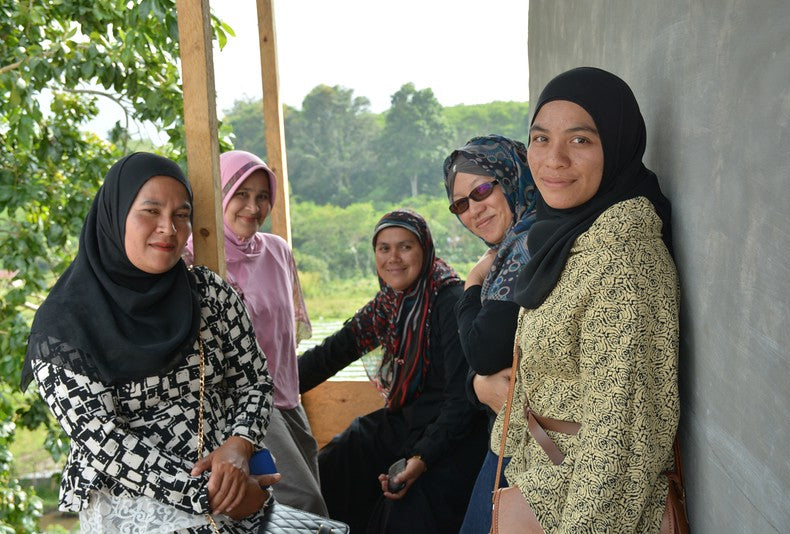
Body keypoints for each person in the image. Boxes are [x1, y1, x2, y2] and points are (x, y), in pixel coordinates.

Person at [20, 152, 278, 533]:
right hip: (141, 513)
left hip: (240, 499)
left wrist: (241, 443)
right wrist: (210, 496)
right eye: (150, 212)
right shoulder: (64, 326)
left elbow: (254, 380)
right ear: (115, 215)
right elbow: (105, 442)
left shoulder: (209, 294)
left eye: (181, 214)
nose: (169, 229)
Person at [490, 67, 680, 532]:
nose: (553, 159)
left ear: (616, 147)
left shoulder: (622, 256)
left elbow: (622, 439)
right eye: (539, 138)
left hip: (577, 505)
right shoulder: (568, 237)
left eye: (580, 140)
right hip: (537, 478)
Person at [297, 209, 487, 534]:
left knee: (404, 506)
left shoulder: (449, 300)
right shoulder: (390, 303)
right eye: (384, 248)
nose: (393, 258)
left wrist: (422, 456)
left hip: (449, 434)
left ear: (424, 250)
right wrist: (272, 386)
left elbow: (461, 400)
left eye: (405, 246)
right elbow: (334, 352)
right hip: (404, 422)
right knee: (336, 461)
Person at [184, 150, 327, 516]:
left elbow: (285, 333)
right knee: (303, 502)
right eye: (241, 194)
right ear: (220, 196)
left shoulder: (277, 251)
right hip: (245, 407)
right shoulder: (195, 259)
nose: (253, 206)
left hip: (289, 398)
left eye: (262, 196)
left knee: (298, 502)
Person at [440, 134, 538, 531]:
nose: (473, 210)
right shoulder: (511, 248)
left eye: (481, 190)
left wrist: (473, 281)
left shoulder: (532, 244)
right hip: (513, 432)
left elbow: (480, 350)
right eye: (460, 204)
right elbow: (481, 364)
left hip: (536, 442)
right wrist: (476, 384)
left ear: (511, 176)